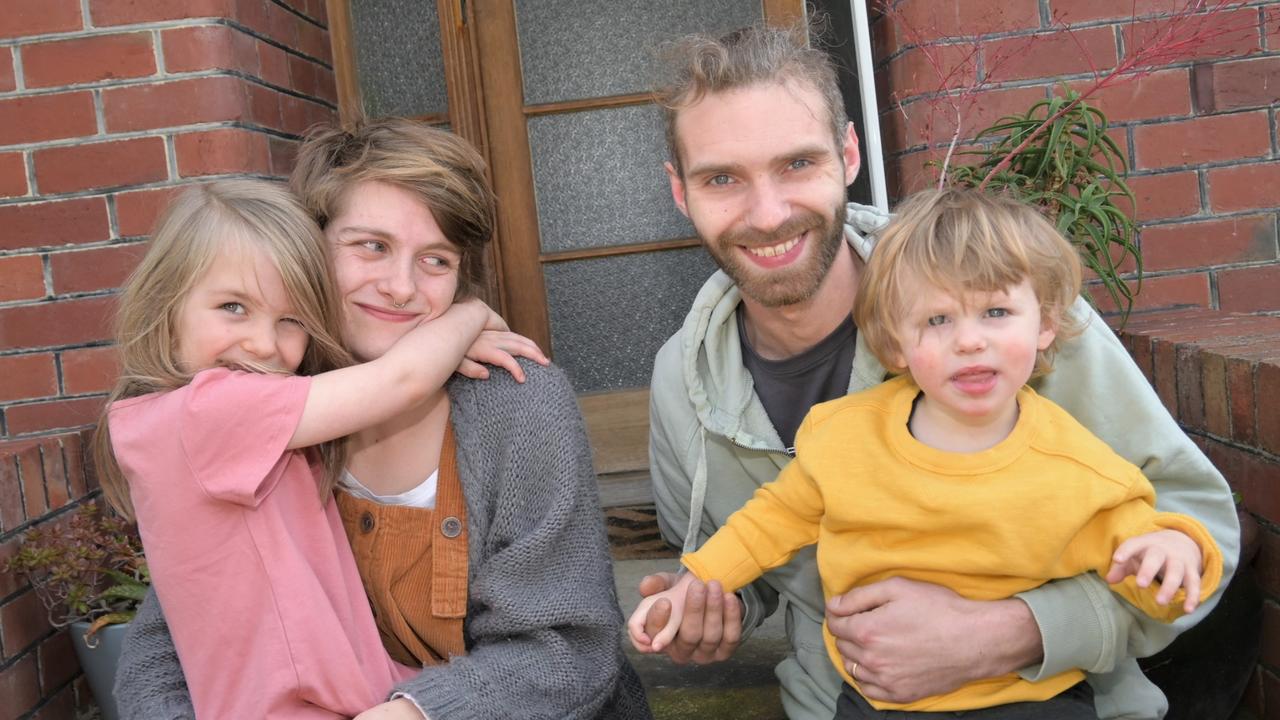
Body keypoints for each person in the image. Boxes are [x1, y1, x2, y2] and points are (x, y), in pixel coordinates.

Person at [641, 24, 1240, 720]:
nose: (768, 213)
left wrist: (1012, 630)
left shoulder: (999, 317)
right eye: (722, 179)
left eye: (798, 164)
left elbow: (1198, 528)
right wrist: (717, 604)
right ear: (680, 192)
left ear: (848, 154)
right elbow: (765, 554)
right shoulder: (679, 381)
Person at [113, 119, 652, 720]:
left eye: (436, 260)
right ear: (309, 248)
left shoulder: (519, 404)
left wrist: (411, 713)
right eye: (371, 245)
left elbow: (568, 652)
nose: (400, 287)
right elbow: (171, 635)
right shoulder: (268, 399)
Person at [97, 178, 534, 718]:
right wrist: (467, 316)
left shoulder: (219, 414)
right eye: (233, 307)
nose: (262, 343)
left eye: (291, 320)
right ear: (166, 308)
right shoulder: (203, 412)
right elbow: (403, 382)